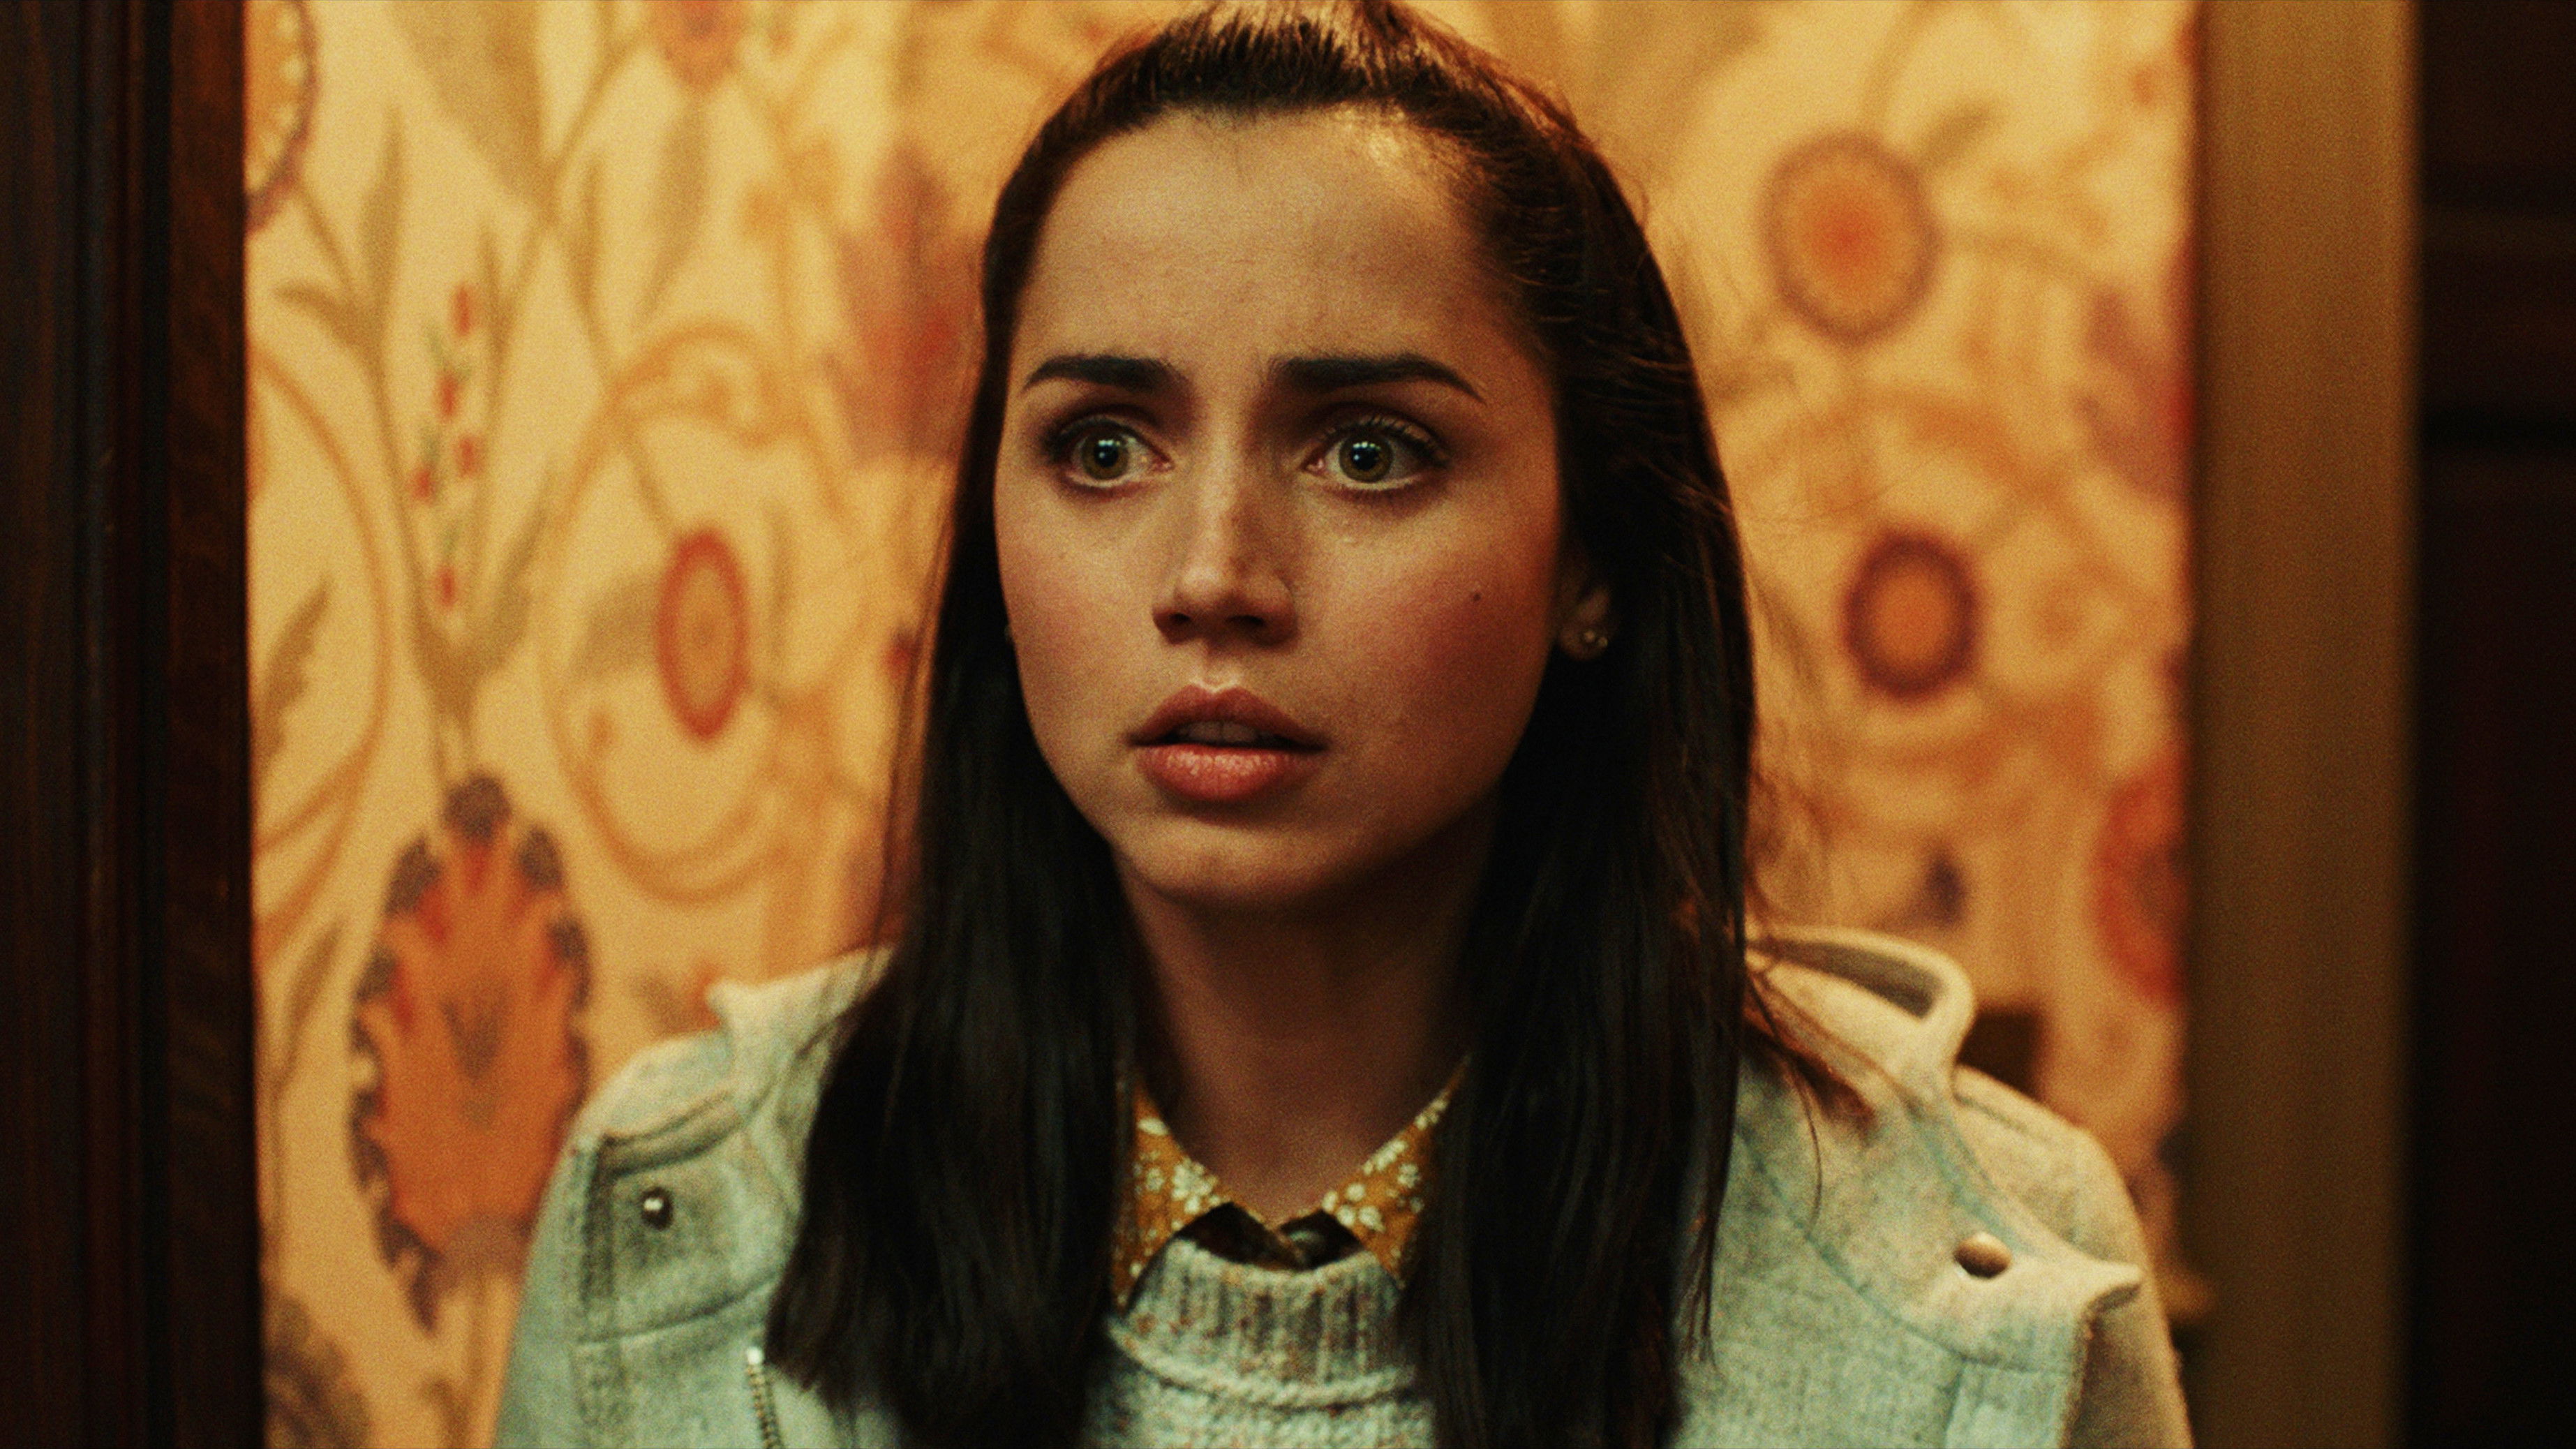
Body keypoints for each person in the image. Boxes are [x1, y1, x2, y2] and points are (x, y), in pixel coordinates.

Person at [495, 3, 2190, 1446]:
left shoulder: (1966, 1305)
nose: (1212, 575)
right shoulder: (684, 1230)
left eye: (1368, 452)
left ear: (1591, 557)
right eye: (1102, 447)